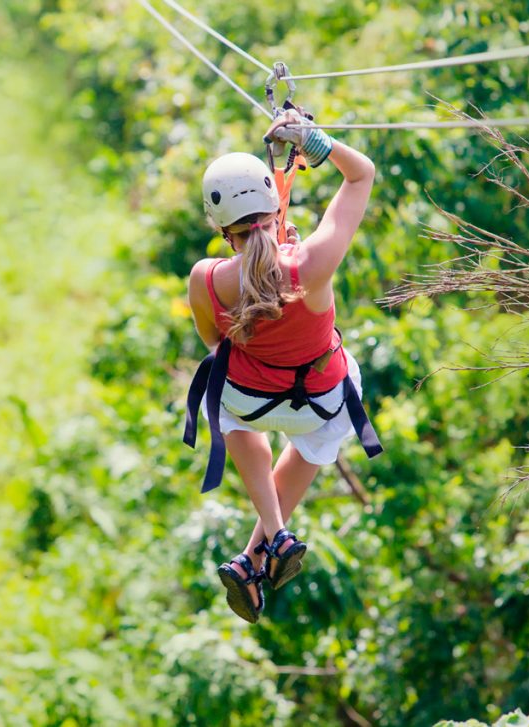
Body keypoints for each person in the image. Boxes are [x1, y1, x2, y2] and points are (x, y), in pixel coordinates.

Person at [184, 109, 380, 623]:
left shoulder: (205, 280)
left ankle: (268, 541)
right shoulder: (312, 264)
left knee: (220, 393)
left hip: (250, 399)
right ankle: (264, 545)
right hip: (321, 399)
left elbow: (215, 341)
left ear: (222, 229)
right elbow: (362, 174)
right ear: (276, 206)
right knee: (319, 434)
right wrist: (316, 142)